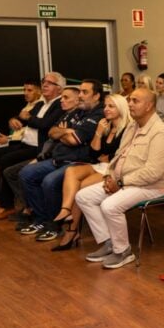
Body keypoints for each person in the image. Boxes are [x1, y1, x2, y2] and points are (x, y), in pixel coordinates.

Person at [76, 87, 164, 269]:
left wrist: (120, 182)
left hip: (151, 186)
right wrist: (109, 176)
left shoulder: (160, 134)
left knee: (110, 206)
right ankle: (109, 242)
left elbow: (153, 173)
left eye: (135, 101)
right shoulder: (132, 126)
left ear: (149, 106)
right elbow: (118, 157)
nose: (129, 104)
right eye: (129, 100)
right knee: (83, 196)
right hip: (126, 182)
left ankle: (123, 251)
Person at [18, 79, 105, 241]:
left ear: (96, 96)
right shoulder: (78, 110)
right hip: (59, 158)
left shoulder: (99, 114)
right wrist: (65, 132)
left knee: (49, 181)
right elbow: (52, 131)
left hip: (79, 162)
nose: (80, 96)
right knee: (26, 173)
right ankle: (41, 219)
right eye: (79, 92)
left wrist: (65, 133)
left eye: (85, 92)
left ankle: (54, 225)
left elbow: (75, 140)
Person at [0, 72, 66, 214]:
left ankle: (7, 204)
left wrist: (28, 118)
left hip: (38, 148)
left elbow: (46, 125)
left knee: (6, 160)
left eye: (50, 83)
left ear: (59, 88)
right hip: (23, 144)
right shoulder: (41, 103)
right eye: (44, 81)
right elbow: (22, 117)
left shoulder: (59, 105)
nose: (45, 85)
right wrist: (14, 120)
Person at [51, 94, 131, 251]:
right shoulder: (106, 126)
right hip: (101, 164)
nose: (106, 109)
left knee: (80, 188)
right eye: (106, 106)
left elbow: (118, 157)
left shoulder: (128, 127)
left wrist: (108, 157)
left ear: (121, 108)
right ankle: (66, 210)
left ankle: (72, 231)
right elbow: (95, 153)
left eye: (111, 106)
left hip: (114, 169)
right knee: (71, 171)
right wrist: (99, 132)